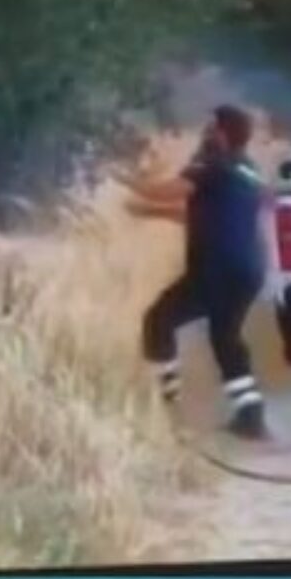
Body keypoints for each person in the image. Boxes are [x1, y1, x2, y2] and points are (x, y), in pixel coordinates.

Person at [120, 105, 271, 440]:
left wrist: (124, 180)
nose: (205, 132)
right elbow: (205, 217)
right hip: (249, 270)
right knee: (225, 336)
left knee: (158, 320)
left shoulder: (209, 164)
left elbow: (165, 190)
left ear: (222, 133)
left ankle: (168, 407)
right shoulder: (247, 170)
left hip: (215, 269)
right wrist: (149, 212)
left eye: (210, 126)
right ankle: (251, 415)